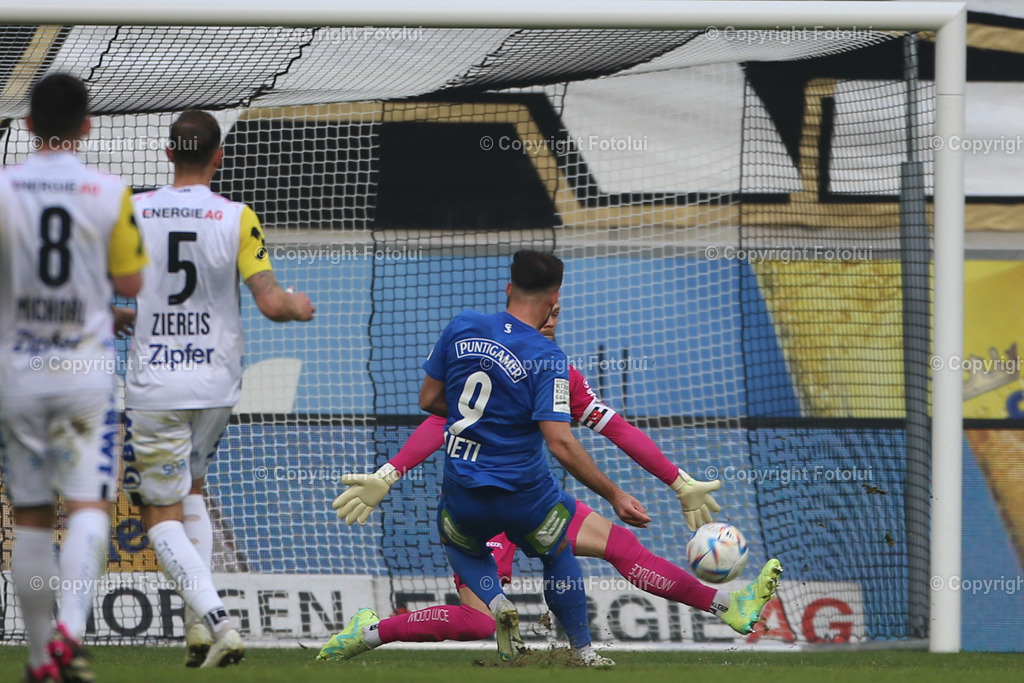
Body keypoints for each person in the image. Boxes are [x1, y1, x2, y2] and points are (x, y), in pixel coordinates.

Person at [321, 299, 782, 662]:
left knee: (621, 547)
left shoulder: (557, 372)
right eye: (548, 310)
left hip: (528, 499)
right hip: (479, 506)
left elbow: (616, 427)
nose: (551, 320)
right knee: (480, 621)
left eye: (558, 313)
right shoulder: (489, 354)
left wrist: (678, 481)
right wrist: (391, 471)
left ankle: (726, 607)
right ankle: (369, 630)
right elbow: (441, 420)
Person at [119, 109, 315, 668]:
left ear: (167, 154)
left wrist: (116, 313)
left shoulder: (134, 210)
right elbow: (273, 303)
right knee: (193, 492)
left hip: (157, 384)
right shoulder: (237, 217)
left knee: (159, 516)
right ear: (219, 157)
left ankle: (218, 621)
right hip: (215, 384)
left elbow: (96, 283)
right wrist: (298, 308)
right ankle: (196, 628)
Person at [0, 73, 147, 683]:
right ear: (88, 126)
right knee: (89, 503)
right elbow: (132, 283)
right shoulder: (109, 192)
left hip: (18, 373)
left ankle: (39, 661)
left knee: (30, 515)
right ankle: (70, 630)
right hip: (84, 372)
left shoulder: (3, 189)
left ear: (28, 126)